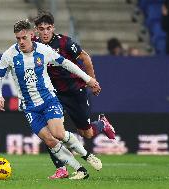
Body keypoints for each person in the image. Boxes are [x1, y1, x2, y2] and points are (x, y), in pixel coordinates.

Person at [0, 19, 102, 180]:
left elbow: (66, 64)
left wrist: (88, 79)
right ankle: (80, 170)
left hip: (48, 100)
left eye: (24, 38)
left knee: (58, 133)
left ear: (31, 35)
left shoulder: (43, 50)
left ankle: (87, 155)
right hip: (29, 107)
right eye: (18, 38)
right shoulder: (9, 55)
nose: (21, 42)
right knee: (50, 141)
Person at [33, 11, 116, 179]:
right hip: (52, 94)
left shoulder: (64, 42)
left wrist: (92, 80)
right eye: (41, 29)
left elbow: (85, 57)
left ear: (53, 28)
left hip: (74, 91)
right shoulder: (33, 44)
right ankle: (61, 169)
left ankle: (101, 124)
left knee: (86, 133)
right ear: (36, 30)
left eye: (48, 28)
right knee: (50, 132)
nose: (45, 32)